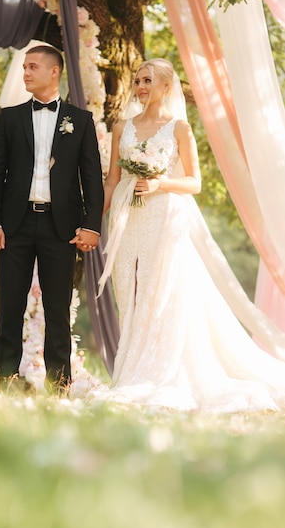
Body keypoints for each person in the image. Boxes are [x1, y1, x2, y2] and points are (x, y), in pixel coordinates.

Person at [90, 57, 285, 412]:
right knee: (130, 292)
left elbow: (194, 182)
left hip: (166, 218)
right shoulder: (122, 127)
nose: (141, 86)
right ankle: (131, 369)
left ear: (167, 86)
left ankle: (160, 370)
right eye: (138, 80)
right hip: (126, 221)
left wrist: (160, 182)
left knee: (161, 291)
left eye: (148, 80)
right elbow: (112, 181)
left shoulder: (179, 128)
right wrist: (91, 222)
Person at [0, 44, 104, 390]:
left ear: (55, 71)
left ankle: (58, 386)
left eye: (32, 66)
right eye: (24, 67)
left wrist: (91, 225)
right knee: (9, 307)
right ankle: (4, 382)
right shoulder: (9, 117)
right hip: (13, 226)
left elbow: (91, 177)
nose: (25, 73)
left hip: (61, 228)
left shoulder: (80, 121)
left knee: (58, 309)